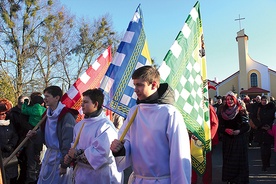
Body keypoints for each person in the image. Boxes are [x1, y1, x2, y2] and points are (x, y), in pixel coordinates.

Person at [110, 66, 191, 183]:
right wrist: (120, 149)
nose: (135, 89)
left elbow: (179, 155)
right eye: (134, 85)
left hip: (162, 180)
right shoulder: (134, 111)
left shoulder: (170, 113)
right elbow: (127, 142)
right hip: (138, 179)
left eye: (139, 85)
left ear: (153, 85)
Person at [64, 89, 122, 183]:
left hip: (99, 176)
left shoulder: (106, 126)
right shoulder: (79, 125)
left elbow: (101, 154)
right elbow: (74, 146)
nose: (82, 105)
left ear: (95, 104)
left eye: (86, 102)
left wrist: (76, 154)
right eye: (82, 102)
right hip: (81, 175)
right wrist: (70, 156)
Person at [27, 86, 78, 184]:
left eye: (47, 96)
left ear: (57, 98)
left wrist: (64, 164)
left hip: (60, 157)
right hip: (49, 154)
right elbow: (44, 133)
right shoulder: (47, 114)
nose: (44, 99)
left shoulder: (66, 116)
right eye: (44, 96)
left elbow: (68, 140)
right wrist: (34, 135)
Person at [220, 91, 250, 184]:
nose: (229, 101)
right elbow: (220, 126)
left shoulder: (241, 110)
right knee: (229, 162)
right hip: (228, 141)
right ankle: (230, 179)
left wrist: (239, 131)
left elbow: (247, 126)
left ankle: (239, 180)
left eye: (231, 99)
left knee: (238, 162)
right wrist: (225, 130)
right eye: (227, 99)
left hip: (239, 141)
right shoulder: (222, 111)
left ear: (235, 100)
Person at [21, 94, 46, 184]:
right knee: (39, 155)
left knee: (31, 157)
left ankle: (31, 177)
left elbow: (24, 110)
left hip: (31, 132)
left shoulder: (31, 109)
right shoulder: (44, 110)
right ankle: (38, 175)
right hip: (40, 132)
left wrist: (25, 103)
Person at [191, 104, 218, 184]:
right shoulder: (189, 105)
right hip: (192, 141)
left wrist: (208, 138)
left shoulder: (208, 106)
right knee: (192, 165)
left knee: (207, 165)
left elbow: (214, 124)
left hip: (206, 141)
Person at [9, 95, 30, 183]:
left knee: (24, 166)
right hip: (14, 143)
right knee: (12, 167)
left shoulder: (28, 112)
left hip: (25, 142)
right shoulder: (12, 113)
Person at [253, 95, 276, 171]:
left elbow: (274, 118)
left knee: (268, 149)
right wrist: (260, 125)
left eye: (265, 100)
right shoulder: (258, 108)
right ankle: (264, 165)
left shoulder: (272, 107)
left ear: (268, 101)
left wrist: (270, 126)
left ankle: (268, 162)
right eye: (262, 100)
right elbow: (254, 117)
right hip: (261, 130)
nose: (264, 102)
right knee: (263, 149)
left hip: (269, 130)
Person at [0, 98, 18, 184]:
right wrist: (2, 146)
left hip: (10, 155)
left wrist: (11, 145)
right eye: (1, 114)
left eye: (5, 114)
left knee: (12, 176)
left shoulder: (9, 124)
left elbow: (15, 135)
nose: (3, 116)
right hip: (1, 155)